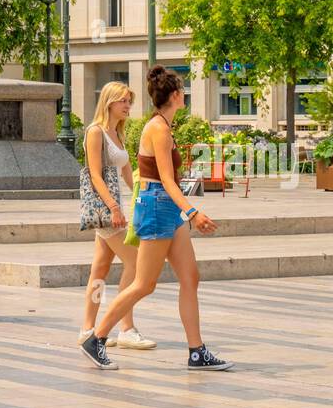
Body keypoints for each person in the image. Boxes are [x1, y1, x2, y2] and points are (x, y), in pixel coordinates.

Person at [81, 66, 233, 372]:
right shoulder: (159, 129)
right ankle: (96, 337)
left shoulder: (163, 125)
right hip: (156, 206)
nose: (185, 95)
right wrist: (193, 212)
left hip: (166, 208)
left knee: (190, 278)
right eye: (183, 90)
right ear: (175, 95)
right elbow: (166, 180)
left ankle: (196, 351)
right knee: (144, 283)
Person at [77, 82, 156, 357]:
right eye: (123, 100)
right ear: (108, 102)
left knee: (100, 269)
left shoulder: (118, 133)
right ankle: (126, 327)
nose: (127, 105)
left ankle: (88, 328)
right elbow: (95, 174)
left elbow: (127, 173)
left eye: (129, 101)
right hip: (107, 211)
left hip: (119, 208)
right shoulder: (95, 132)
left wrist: (143, 194)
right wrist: (113, 206)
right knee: (135, 262)